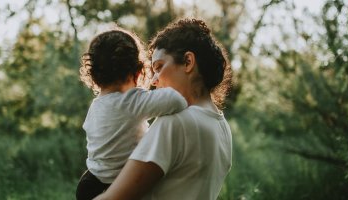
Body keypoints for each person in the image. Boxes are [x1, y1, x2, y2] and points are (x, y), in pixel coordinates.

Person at [94, 18, 233, 200]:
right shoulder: (222, 127)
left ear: (188, 62)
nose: (153, 80)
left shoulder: (175, 123)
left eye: (159, 67)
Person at [76, 28, 188, 200]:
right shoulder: (131, 101)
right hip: (114, 186)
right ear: (138, 72)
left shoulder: (97, 105)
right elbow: (177, 101)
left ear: (94, 76)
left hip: (90, 183)